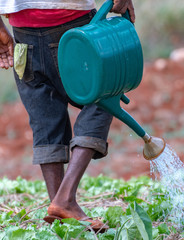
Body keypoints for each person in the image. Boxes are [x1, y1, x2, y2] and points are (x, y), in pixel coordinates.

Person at [0, 0, 135, 233]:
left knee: (44, 117)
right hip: (75, 25)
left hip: (23, 34)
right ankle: (65, 199)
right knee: (104, 96)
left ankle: (61, 211)